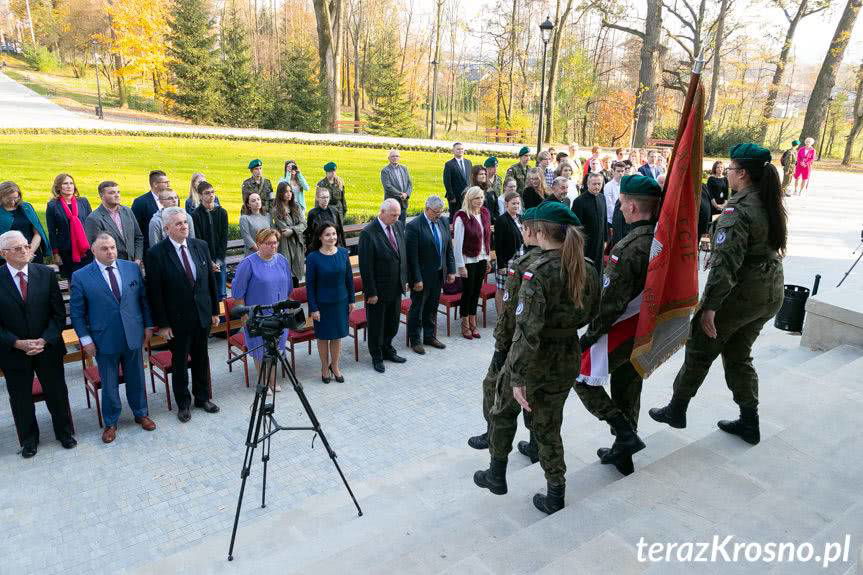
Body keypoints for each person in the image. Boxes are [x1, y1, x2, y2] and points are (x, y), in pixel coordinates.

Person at [650, 143, 786, 446]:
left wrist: (710, 307)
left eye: (731, 169)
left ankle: (677, 408)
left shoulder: (738, 211)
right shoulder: (767, 200)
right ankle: (750, 421)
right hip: (770, 290)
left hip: (743, 293)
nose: (728, 174)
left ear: (743, 174)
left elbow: (725, 267)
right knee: (739, 354)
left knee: (700, 345)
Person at [474, 202, 599, 515]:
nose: (524, 230)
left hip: (534, 360)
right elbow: (592, 314)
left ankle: (496, 474)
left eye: (529, 227)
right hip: (567, 353)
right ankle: (556, 492)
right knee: (548, 424)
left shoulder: (537, 272)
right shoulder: (587, 266)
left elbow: (527, 331)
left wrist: (516, 376)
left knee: (503, 411)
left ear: (540, 231)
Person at [573, 174, 660, 476]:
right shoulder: (662, 239)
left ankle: (624, 434)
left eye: (623, 203)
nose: (620, 208)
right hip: (648, 328)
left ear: (634, 207)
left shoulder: (629, 248)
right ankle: (623, 454)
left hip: (624, 329)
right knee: (628, 386)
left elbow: (611, 303)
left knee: (582, 377)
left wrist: (589, 337)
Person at [70, 233, 156, 444]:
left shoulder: (131, 268)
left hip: (133, 334)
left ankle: (140, 412)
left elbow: (143, 300)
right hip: (103, 338)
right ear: (94, 251)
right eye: (104, 249)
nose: (110, 252)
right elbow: (77, 313)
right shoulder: (81, 276)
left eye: (112, 247)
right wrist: (85, 340)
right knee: (108, 382)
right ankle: (111, 422)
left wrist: (147, 325)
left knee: (136, 376)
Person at [467, 204, 537, 454]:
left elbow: (508, 313)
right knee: (534, 394)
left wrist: (500, 347)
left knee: (494, 388)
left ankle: (493, 440)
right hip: (546, 347)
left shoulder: (523, 265)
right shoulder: (566, 260)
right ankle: (537, 444)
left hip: (517, 344)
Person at [0, 230, 76, 458]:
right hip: (14, 352)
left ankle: (64, 432)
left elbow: (58, 314)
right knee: (21, 397)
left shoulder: (45, 273)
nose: (24, 250)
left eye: (25, 246)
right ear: (4, 254)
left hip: (47, 347)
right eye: (17, 248)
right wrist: (17, 343)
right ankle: (29, 440)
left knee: (57, 392)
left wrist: (45, 339)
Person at [145, 207, 220, 423]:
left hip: (202, 315)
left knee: (201, 358)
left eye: (185, 222)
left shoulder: (200, 246)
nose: (184, 226)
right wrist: (163, 324)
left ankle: (202, 397)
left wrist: (214, 310)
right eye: (178, 224)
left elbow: (209, 281)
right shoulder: (156, 254)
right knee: (179, 363)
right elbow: (155, 293)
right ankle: (183, 404)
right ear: (167, 228)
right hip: (176, 321)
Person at [231, 228, 293, 393]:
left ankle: (273, 380)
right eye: (268, 243)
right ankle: (263, 382)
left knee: (275, 348)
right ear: (258, 244)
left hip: (279, 314)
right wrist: (244, 315)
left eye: (275, 242)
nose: (273, 246)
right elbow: (238, 292)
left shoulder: (281, 260)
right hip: (257, 316)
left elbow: (288, 287)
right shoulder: (248, 263)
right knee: (260, 350)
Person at [358, 199, 408, 373]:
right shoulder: (368, 233)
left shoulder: (398, 226)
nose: (396, 218)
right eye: (393, 215)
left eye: (398, 215)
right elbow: (366, 266)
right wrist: (371, 292)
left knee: (392, 322)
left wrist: (404, 280)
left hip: (396, 287)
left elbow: (402, 254)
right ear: (382, 212)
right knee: (377, 325)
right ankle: (377, 355)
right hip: (378, 291)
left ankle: (388, 349)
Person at [405, 196, 455, 354]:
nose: (439, 215)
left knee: (432, 306)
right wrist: (416, 279)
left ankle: (429, 335)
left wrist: (451, 270)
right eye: (436, 212)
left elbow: (448, 249)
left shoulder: (443, 221)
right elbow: (411, 257)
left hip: (439, 273)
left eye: (441, 212)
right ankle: (415, 339)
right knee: (418, 308)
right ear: (427, 209)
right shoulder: (414, 226)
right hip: (422, 276)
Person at [306, 223, 354, 383]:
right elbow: (310, 285)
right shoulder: (313, 257)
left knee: (337, 336)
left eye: (334, 234)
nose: (332, 237)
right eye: (327, 234)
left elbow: (349, 278)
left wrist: (352, 299)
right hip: (322, 304)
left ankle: (335, 366)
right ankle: (324, 367)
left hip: (341, 302)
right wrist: (313, 308)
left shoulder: (342, 253)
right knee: (323, 337)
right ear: (320, 237)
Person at [453, 187, 492, 340]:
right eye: (476, 198)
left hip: (482, 258)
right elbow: (457, 244)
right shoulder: (462, 217)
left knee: (476, 291)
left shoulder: (485, 213)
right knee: (468, 292)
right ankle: (465, 323)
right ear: (470, 199)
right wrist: (460, 265)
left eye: (481, 197)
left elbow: (487, 238)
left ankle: (473, 320)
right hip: (468, 259)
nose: (480, 201)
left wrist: (488, 258)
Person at [45, 173, 92, 278]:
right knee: (73, 280)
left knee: (89, 278)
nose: (69, 186)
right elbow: (52, 231)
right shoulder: (53, 205)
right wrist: (56, 254)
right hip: (66, 250)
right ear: (58, 187)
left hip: (86, 248)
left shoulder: (83, 202)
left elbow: (91, 224)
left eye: (71, 183)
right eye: (65, 183)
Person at [85, 181, 144, 264]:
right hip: (111, 266)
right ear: (102, 196)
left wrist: (138, 259)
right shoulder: (93, 219)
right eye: (112, 193)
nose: (117, 195)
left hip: (133, 264)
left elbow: (138, 237)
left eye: (118, 192)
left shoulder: (127, 211)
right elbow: (96, 248)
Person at [191, 182, 229, 301]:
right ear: (200, 196)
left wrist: (218, 260)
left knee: (221, 293)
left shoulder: (222, 212)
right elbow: (198, 240)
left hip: (219, 259)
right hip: (205, 261)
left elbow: (224, 238)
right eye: (207, 193)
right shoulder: (196, 215)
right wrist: (209, 261)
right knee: (208, 294)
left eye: (212, 192)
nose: (211, 195)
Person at [0, 181, 49, 265]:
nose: (13, 202)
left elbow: (37, 233)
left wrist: (29, 253)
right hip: (7, 258)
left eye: (15, 198)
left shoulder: (27, 207)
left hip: (32, 253)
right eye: (9, 199)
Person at [492, 191, 523, 315]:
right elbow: (498, 245)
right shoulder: (501, 220)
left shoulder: (520, 218)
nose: (516, 206)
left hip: (519, 261)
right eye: (513, 203)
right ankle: (500, 316)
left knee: (516, 289)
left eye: (518, 203)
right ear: (506, 204)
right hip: (506, 261)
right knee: (501, 289)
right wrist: (501, 265)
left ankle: (512, 315)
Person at [571, 172, 607, 272]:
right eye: (594, 184)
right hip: (586, 243)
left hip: (600, 241)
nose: (597, 186)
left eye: (599, 184)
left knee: (598, 268)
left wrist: (605, 240)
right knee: (586, 269)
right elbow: (576, 225)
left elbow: (604, 219)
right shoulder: (579, 201)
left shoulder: (602, 198)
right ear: (588, 184)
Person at [272, 181, 307, 285]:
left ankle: (296, 297)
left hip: (297, 243)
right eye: (286, 191)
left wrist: (292, 230)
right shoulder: (276, 210)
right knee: (287, 273)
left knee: (296, 273)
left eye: (290, 191)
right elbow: (284, 229)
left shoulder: (296, 206)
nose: (289, 194)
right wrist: (297, 229)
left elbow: (304, 224)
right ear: (280, 193)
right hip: (285, 245)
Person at [132, 170, 168, 252]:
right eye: (165, 182)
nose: (168, 185)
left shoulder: (172, 198)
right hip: (149, 249)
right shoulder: (141, 202)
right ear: (155, 184)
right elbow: (136, 230)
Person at [380, 149, 413, 224]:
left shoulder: (404, 168)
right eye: (393, 156)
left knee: (402, 225)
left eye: (397, 156)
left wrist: (407, 194)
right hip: (392, 204)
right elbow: (388, 187)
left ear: (399, 158)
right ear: (389, 158)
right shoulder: (385, 171)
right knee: (392, 226)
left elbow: (409, 184)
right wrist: (401, 194)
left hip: (404, 202)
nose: (395, 158)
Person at [443, 142, 473, 215]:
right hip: (455, 198)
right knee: (455, 216)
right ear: (453, 151)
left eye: (462, 149)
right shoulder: (449, 164)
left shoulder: (468, 162)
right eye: (458, 149)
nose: (460, 151)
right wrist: (451, 196)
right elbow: (447, 182)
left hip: (467, 196)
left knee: (467, 215)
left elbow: (471, 178)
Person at [604, 161, 626, 228]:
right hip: (612, 220)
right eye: (618, 171)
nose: (621, 173)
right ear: (613, 172)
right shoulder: (608, 186)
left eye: (622, 171)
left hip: (624, 218)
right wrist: (618, 217)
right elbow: (609, 205)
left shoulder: (625, 184)